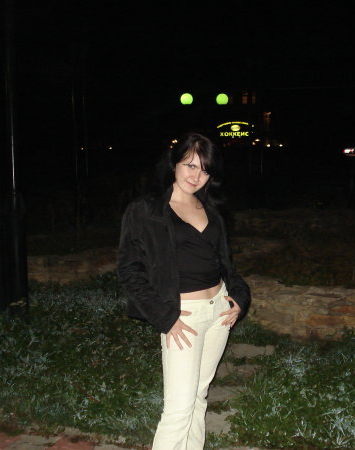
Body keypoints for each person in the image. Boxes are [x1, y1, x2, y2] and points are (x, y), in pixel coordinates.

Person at [117, 131, 251, 449]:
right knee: (178, 409)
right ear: (174, 163)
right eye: (190, 165)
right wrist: (165, 317)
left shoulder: (211, 210)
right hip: (182, 316)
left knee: (199, 397)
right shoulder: (146, 210)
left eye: (204, 169)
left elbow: (226, 265)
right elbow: (129, 269)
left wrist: (239, 299)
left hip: (218, 312)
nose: (196, 175)